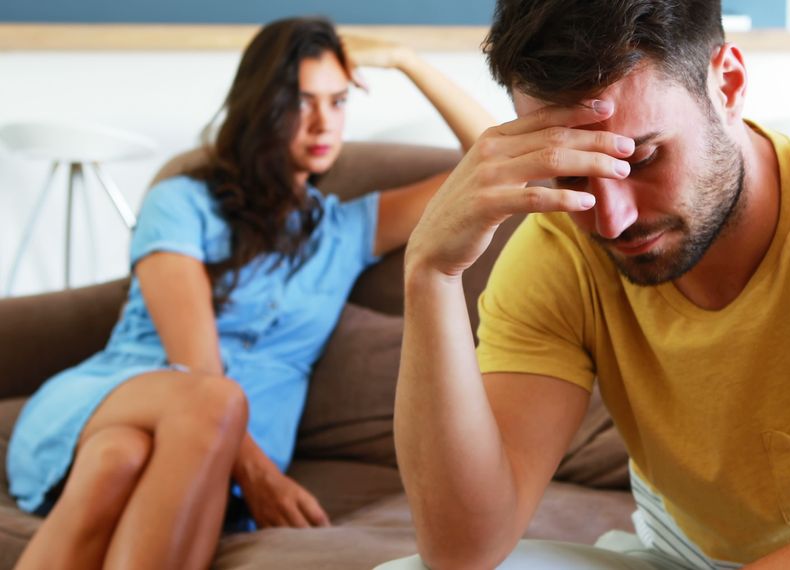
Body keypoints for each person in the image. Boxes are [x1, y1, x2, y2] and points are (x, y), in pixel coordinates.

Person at [384, 0, 790, 568]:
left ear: (728, 83)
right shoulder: (560, 248)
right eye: (575, 173)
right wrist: (431, 273)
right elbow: (463, 549)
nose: (611, 220)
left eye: (642, 158)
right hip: (683, 555)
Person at [6, 16, 493, 570]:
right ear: (262, 105)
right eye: (302, 102)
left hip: (196, 451)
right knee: (208, 403)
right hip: (111, 399)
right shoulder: (181, 203)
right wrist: (260, 474)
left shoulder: (346, 230)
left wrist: (407, 61)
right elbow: (196, 371)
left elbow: (494, 160)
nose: (323, 123)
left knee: (119, 457)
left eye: (338, 102)